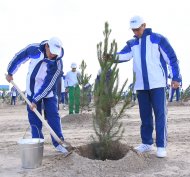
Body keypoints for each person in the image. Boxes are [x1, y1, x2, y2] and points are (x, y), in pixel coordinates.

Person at [114, 15, 181, 158]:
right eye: (133, 30)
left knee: (160, 114)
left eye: (138, 29)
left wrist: (176, 77)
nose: (135, 32)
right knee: (145, 116)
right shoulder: (132, 43)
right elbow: (122, 56)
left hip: (158, 84)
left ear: (144, 25)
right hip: (141, 86)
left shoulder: (158, 39)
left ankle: (161, 146)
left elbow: (172, 58)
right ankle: (147, 142)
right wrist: (107, 56)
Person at [6, 37, 70, 155]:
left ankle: (59, 143)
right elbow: (19, 57)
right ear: (46, 46)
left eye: (56, 54)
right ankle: (37, 144)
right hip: (31, 91)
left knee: (53, 116)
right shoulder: (34, 49)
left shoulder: (58, 63)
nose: (53, 56)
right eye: (51, 52)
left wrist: (37, 99)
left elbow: (49, 83)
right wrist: (10, 72)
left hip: (48, 92)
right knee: (35, 120)